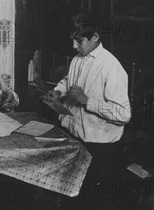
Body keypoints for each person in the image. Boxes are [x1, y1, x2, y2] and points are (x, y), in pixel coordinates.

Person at [43, 12, 131, 143]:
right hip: (70, 134)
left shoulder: (111, 67)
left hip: (98, 144)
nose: (74, 46)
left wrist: (86, 101)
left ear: (95, 37)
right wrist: (58, 91)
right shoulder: (77, 59)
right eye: (72, 40)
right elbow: (68, 81)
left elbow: (123, 114)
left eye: (79, 41)